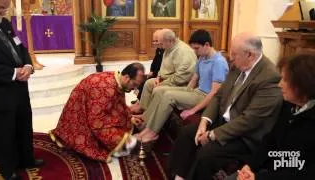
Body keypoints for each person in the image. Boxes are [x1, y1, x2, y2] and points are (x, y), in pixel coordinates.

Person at [168, 32, 283, 180]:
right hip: (224, 121)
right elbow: (219, 95)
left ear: (250, 55)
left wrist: (212, 135)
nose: (231, 57)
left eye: (235, 54)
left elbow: (249, 120)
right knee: (187, 133)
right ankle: (178, 176)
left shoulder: (269, 77)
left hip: (245, 136)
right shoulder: (239, 65)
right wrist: (204, 121)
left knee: (206, 154)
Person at [230, 52, 315, 180]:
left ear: (303, 84)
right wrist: (250, 166)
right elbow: (270, 141)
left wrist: (258, 178)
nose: (280, 84)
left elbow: (305, 171)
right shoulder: (288, 105)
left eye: (285, 80)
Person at [135, 29, 229, 143]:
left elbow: (214, 93)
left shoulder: (218, 62)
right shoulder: (203, 58)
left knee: (169, 96)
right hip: (196, 92)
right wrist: (184, 91)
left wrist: (192, 110)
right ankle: (146, 124)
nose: (194, 51)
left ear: (207, 45)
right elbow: (194, 79)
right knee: (160, 91)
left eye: (197, 48)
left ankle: (152, 133)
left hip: (205, 96)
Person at [49, 63, 145, 162]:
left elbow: (117, 105)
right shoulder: (105, 89)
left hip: (93, 113)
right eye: (135, 84)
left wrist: (130, 117)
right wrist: (122, 139)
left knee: (126, 127)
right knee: (129, 145)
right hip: (81, 116)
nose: (134, 89)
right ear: (127, 77)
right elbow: (96, 123)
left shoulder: (118, 80)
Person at [0, 0, 44, 179]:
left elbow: (20, 47)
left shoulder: (6, 23)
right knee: (4, 130)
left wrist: (28, 65)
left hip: (20, 86)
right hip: (1, 89)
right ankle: (8, 169)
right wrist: (13, 73)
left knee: (23, 123)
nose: (2, 11)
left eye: (5, 8)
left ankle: (26, 159)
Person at [134, 29, 197, 114]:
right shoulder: (169, 47)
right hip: (168, 79)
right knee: (149, 83)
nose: (161, 46)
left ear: (170, 40)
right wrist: (159, 77)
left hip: (182, 83)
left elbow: (181, 77)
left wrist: (163, 83)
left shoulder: (183, 52)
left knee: (157, 89)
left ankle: (149, 115)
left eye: (161, 43)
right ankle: (143, 109)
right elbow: (163, 66)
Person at [135, 29, 164, 100]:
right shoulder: (158, 49)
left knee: (146, 83)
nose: (154, 43)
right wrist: (151, 70)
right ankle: (139, 100)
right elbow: (154, 61)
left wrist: (157, 75)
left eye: (156, 41)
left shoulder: (166, 50)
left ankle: (140, 102)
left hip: (161, 74)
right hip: (155, 72)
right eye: (154, 41)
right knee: (140, 82)